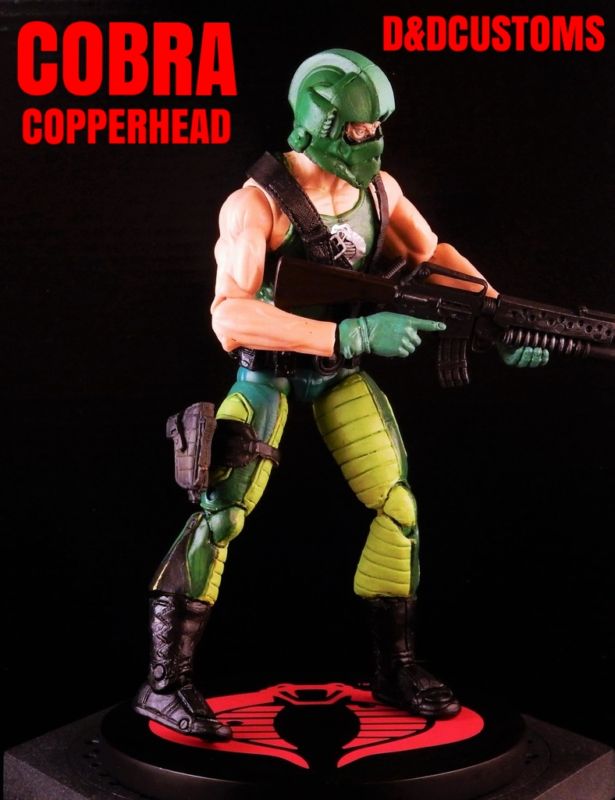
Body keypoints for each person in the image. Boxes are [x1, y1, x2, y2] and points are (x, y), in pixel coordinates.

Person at [133, 49, 548, 741]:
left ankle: (395, 668)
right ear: (319, 125)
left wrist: (498, 317)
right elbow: (229, 316)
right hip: (267, 373)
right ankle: (162, 684)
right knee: (220, 517)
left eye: (377, 126)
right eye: (358, 129)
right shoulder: (256, 204)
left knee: (398, 508)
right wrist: (349, 335)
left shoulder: (379, 193)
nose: (371, 140)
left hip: (337, 377)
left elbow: (433, 257)